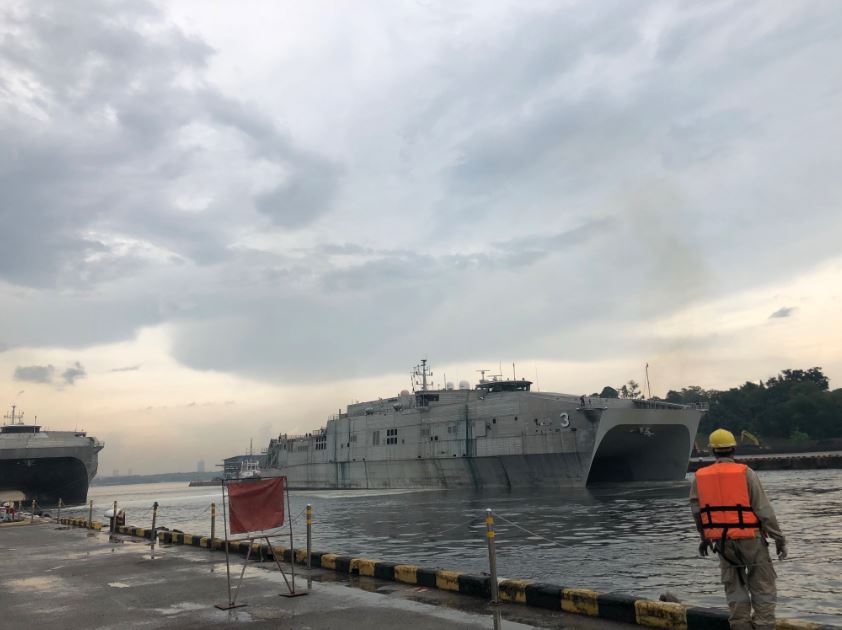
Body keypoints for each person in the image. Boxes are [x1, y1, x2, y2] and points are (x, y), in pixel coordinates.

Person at [690, 428, 787, 630]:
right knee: (763, 587)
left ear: (712, 451)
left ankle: (740, 626)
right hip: (751, 539)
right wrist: (779, 538)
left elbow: (698, 513)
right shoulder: (746, 473)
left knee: (735, 589)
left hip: (722, 543)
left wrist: (704, 538)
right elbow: (763, 510)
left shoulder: (700, 477)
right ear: (733, 449)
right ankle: (763, 626)